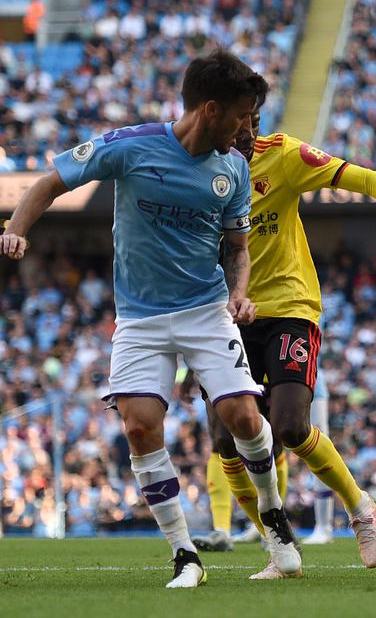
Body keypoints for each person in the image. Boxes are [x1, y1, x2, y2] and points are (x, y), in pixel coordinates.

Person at [0, 50, 300, 588]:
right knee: (139, 427)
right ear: (210, 109)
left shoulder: (232, 168)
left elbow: (237, 248)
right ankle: (185, 556)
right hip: (139, 319)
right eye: (241, 116)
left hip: (207, 311)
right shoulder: (129, 145)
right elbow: (49, 183)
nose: (248, 129)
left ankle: (275, 524)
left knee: (243, 417)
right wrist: (17, 228)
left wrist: (239, 293)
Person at [200, 112, 376, 578]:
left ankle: (361, 508)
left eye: (250, 119)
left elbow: (357, 177)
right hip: (222, 316)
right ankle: (277, 544)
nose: (244, 130)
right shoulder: (194, 168)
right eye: (235, 118)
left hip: (288, 307)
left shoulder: (283, 155)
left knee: (289, 426)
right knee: (226, 441)